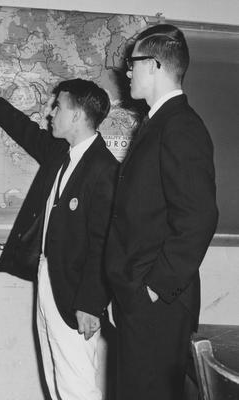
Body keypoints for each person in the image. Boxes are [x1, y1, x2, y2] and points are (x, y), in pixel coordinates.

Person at [0, 72, 118, 400]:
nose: (51, 112)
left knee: (77, 384)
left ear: (77, 116)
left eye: (58, 107)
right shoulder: (62, 154)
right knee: (55, 378)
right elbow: (27, 133)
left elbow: (104, 244)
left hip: (75, 294)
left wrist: (91, 304)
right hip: (49, 278)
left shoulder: (103, 170)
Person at [105, 24, 218, 400]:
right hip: (140, 298)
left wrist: (152, 290)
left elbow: (198, 219)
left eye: (132, 63)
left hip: (158, 303)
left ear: (154, 65)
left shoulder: (181, 126)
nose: (127, 71)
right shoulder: (158, 122)